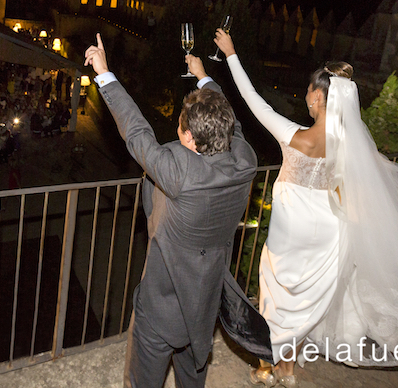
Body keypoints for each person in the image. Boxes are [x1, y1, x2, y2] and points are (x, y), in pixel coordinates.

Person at [213, 30, 398, 385]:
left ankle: (270, 367)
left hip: (291, 235)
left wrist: (231, 54)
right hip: (329, 232)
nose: (305, 97)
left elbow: (252, 98)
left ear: (318, 97)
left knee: (277, 299)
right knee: (308, 306)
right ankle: (287, 370)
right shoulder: (350, 144)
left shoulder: (294, 136)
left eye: (308, 92)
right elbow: (367, 181)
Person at [84, 33, 269, 388]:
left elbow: (136, 133)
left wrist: (104, 72)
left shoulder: (178, 171)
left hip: (161, 309)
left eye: (181, 127)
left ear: (188, 139)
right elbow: (233, 120)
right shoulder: (246, 158)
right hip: (204, 304)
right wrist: (203, 76)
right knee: (191, 376)